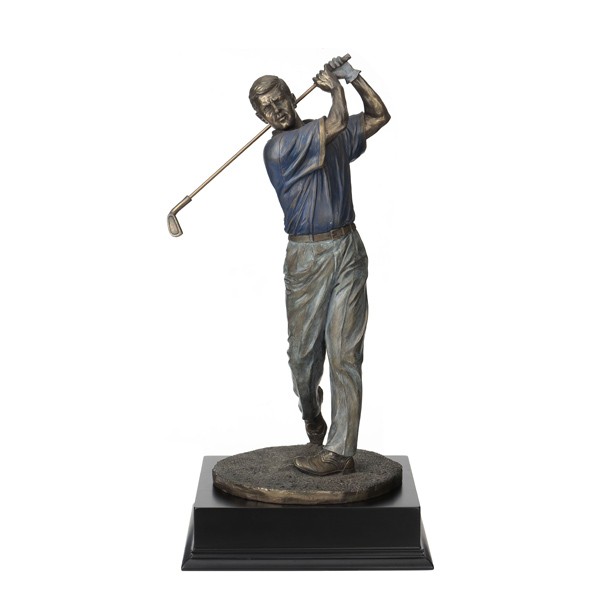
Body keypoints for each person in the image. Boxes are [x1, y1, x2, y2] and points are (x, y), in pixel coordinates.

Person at [249, 56, 390, 475]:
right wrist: (336, 89)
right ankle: (312, 413)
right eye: (267, 108)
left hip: (346, 248)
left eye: (280, 100)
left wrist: (353, 77)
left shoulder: (325, 131)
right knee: (303, 359)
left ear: (293, 97)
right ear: (260, 118)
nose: (276, 111)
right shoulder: (279, 148)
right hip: (306, 260)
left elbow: (379, 116)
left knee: (345, 354)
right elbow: (336, 122)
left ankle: (340, 451)